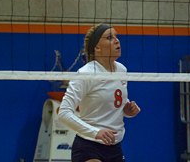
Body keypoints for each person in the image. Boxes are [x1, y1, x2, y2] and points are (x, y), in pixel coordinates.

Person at [58, 23, 141, 162]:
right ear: (97, 47)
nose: (116, 40)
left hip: (114, 147)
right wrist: (95, 132)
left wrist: (127, 110)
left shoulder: (122, 70)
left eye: (116, 36)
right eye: (109, 37)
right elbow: (63, 112)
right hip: (89, 146)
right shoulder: (86, 74)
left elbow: (112, 102)